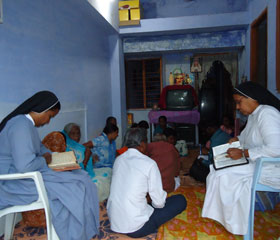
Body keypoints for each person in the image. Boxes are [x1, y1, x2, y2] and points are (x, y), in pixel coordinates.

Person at [0, 91, 99, 240]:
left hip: (27, 176)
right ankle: (74, 234)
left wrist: (56, 157)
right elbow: (25, 166)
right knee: (73, 187)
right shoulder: (20, 125)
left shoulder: (28, 125)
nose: (48, 122)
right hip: (14, 182)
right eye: (50, 116)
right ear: (42, 109)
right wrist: (45, 160)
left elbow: (40, 149)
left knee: (80, 176)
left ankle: (85, 230)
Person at [202, 81, 280, 235]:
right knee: (216, 170)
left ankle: (237, 224)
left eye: (239, 102)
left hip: (269, 168)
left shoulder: (267, 114)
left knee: (224, 175)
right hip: (256, 163)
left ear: (253, 98)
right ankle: (225, 217)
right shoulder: (254, 115)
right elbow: (245, 139)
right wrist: (236, 140)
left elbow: (276, 148)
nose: (238, 107)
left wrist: (244, 153)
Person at [107, 128, 187, 238]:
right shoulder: (149, 163)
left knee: (143, 199)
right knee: (180, 200)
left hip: (115, 222)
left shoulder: (119, 160)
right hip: (137, 228)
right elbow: (159, 203)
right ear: (143, 144)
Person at [62, 123, 112, 202]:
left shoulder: (80, 147)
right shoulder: (64, 148)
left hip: (86, 173)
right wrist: (86, 160)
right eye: (73, 134)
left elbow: (86, 159)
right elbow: (73, 168)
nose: (77, 136)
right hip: (75, 176)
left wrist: (89, 158)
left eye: (78, 133)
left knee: (109, 172)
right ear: (67, 135)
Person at [147, 128, 180, 193]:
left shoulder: (148, 147)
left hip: (150, 189)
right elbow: (177, 172)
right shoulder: (172, 148)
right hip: (168, 188)